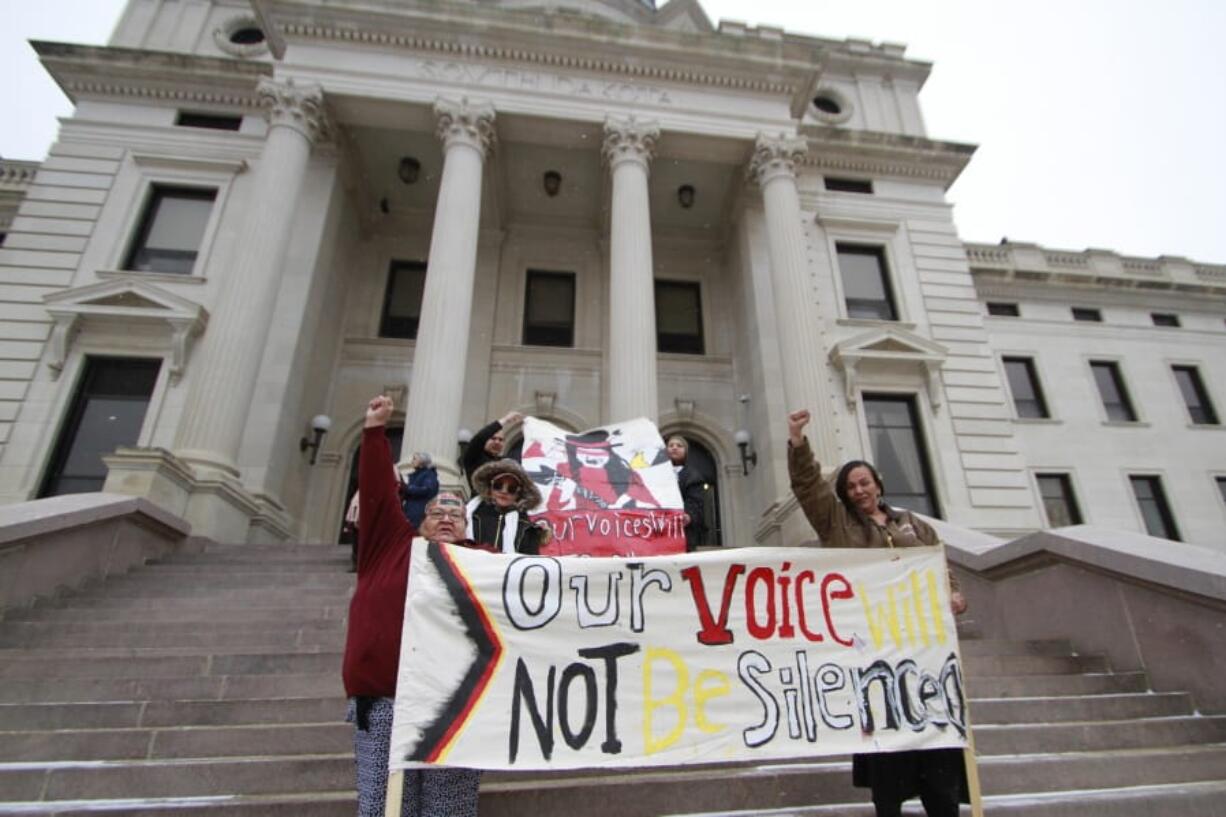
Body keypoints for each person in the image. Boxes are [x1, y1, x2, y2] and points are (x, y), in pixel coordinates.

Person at [786, 408, 968, 817]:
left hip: (927, 658)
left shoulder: (913, 524)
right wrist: (798, 442)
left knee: (940, 763)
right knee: (889, 767)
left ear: (878, 483)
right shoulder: (837, 525)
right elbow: (808, 487)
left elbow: (939, 565)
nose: (858, 490)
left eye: (864, 482)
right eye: (850, 486)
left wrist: (954, 595)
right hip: (876, 660)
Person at [343, 394, 490, 817]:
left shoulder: (482, 560)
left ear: (467, 528)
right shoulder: (390, 547)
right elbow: (376, 492)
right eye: (437, 511)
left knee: (449, 808)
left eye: (456, 513)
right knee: (382, 806)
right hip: (386, 697)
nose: (446, 517)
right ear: (419, 521)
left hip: (455, 701)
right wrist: (374, 433)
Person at [466, 459, 551, 554]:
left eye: (512, 488)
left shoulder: (527, 529)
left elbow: (529, 564)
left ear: (519, 495)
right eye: (498, 485)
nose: (504, 491)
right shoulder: (469, 515)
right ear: (490, 488)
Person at [461, 411, 523, 491]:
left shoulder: (506, 462)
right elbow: (479, 438)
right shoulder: (474, 457)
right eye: (493, 438)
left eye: (501, 440)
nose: (497, 442)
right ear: (485, 441)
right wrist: (505, 420)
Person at [666, 435, 707, 552]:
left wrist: (688, 516)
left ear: (686, 452)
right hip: (659, 531)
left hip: (683, 534)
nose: (674, 448)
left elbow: (696, 502)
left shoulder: (693, 476)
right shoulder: (657, 473)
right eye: (671, 445)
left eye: (679, 446)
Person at [399, 452, 439, 528]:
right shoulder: (413, 475)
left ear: (422, 461)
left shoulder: (429, 474)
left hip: (418, 513)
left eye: (414, 459)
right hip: (407, 512)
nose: (411, 461)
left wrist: (407, 488)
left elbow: (427, 489)